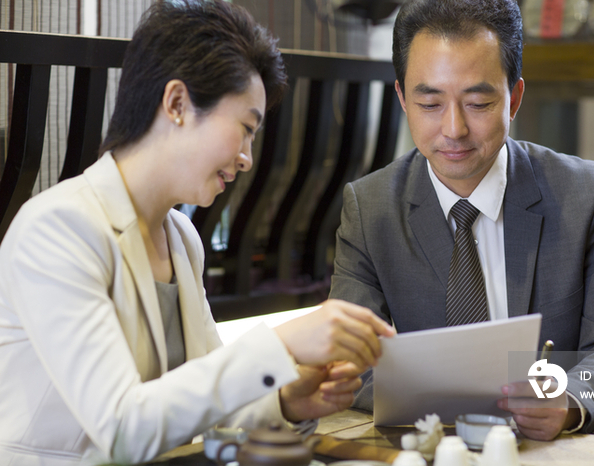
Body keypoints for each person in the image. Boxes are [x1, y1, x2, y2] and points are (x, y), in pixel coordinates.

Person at [0, 1, 395, 464]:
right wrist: (281, 342)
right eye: (246, 128)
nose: (248, 156)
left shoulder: (182, 238)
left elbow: (204, 403)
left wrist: (286, 401)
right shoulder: (57, 229)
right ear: (177, 103)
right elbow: (123, 428)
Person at [329, 0, 594, 441]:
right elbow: (354, 364)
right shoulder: (370, 210)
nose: (454, 129)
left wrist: (569, 398)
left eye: (478, 103)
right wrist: (461, 404)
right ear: (403, 98)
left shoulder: (587, 194)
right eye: (429, 103)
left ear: (514, 98)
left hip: (582, 446)